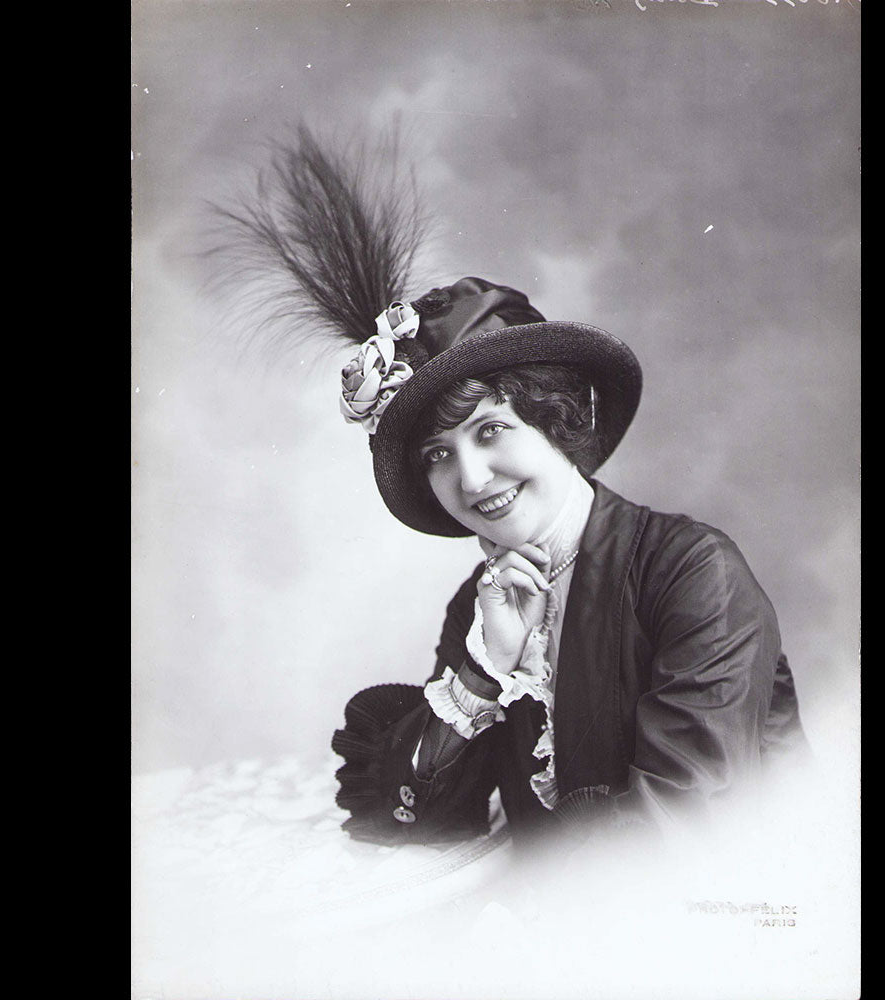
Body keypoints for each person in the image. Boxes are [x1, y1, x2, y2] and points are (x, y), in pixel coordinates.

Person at [215, 128, 809, 854]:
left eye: (491, 431)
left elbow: (679, 842)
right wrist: (483, 671)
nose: (470, 478)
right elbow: (419, 824)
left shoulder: (691, 572)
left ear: (557, 418)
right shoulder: (481, 604)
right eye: (438, 452)